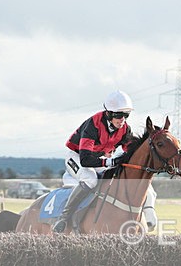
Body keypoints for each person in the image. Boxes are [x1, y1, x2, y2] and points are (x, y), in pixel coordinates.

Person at [52, 90, 138, 233]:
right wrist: (109, 162)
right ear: (109, 114)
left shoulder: (125, 129)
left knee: (111, 177)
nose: (122, 119)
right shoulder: (93, 125)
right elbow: (85, 160)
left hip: (97, 159)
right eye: (119, 115)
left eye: (126, 115)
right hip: (77, 157)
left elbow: (131, 150)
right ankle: (63, 217)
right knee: (91, 179)